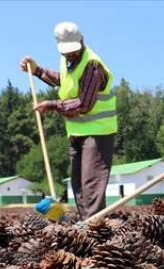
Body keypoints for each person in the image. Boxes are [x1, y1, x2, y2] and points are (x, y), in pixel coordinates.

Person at [20, 21, 117, 220]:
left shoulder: (92, 64)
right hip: (76, 133)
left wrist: (52, 105)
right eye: (66, 52)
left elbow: (84, 104)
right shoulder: (68, 61)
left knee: (91, 184)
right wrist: (38, 71)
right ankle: (85, 225)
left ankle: (95, 230)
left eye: (73, 51)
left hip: (98, 133)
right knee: (78, 184)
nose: (70, 54)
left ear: (81, 41)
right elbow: (64, 80)